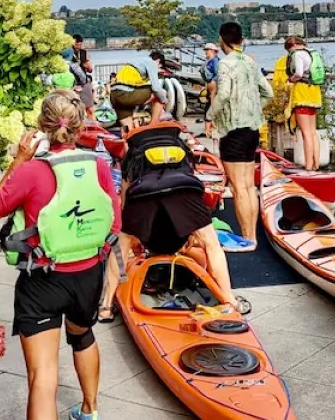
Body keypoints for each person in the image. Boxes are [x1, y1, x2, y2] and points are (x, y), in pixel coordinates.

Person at [0, 92, 121, 420]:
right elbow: (114, 222)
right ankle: (91, 411)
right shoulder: (99, 164)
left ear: (43, 127)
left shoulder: (32, 171)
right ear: (79, 125)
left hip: (43, 281)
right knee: (83, 336)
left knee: (42, 379)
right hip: (87, 275)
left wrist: (19, 158)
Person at [104, 119, 250, 315]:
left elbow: (125, 196)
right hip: (185, 191)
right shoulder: (179, 148)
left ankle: (105, 306)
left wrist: (132, 233)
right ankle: (230, 300)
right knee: (211, 244)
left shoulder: (133, 153)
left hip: (142, 194)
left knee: (120, 248)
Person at [209, 22, 273, 251]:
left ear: (222, 40)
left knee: (238, 188)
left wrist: (210, 115)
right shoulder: (250, 62)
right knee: (248, 186)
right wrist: (253, 109)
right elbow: (269, 92)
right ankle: (251, 235)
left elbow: (223, 94)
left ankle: (248, 239)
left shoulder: (225, 64)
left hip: (233, 130)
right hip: (252, 129)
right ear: (241, 39)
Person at [284, 36, 324, 171]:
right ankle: (316, 164)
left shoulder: (298, 55)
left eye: (288, 50)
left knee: (305, 133)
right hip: (314, 92)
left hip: (302, 94)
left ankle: (308, 166)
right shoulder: (311, 53)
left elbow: (299, 73)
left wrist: (291, 79)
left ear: (292, 46)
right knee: (313, 132)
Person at [109, 51, 167, 130]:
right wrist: (164, 100)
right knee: (162, 93)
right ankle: (153, 126)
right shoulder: (150, 62)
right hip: (125, 94)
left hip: (114, 96)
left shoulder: (135, 63)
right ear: (158, 61)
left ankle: (127, 140)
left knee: (129, 131)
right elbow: (156, 88)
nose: (158, 71)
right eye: (160, 68)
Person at [200, 42, 221, 132]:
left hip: (214, 88)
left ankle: (209, 129)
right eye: (206, 50)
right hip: (210, 87)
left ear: (213, 51)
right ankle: (209, 128)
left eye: (208, 50)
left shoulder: (215, 61)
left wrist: (213, 81)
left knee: (211, 107)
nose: (206, 52)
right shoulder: (209, 61)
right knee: (209, 106)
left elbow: (218, 74)